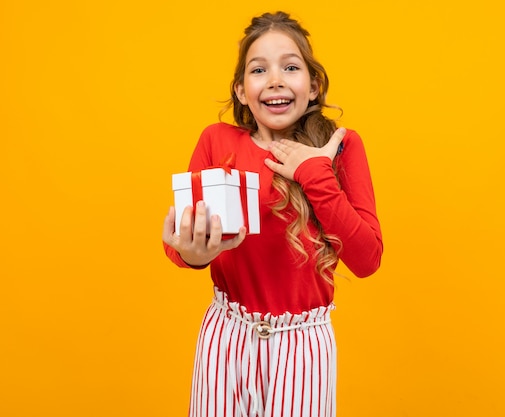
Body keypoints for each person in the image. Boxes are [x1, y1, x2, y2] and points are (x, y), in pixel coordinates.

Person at [162, 11, 383, 417]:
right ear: (242, 91)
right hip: (226, 336)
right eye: (259, 69)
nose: (276, 80)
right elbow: (184, 248)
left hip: (303, 345)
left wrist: (313, 172)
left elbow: (367, 260)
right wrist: (193, 253)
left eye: (291, 67)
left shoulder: (341, 147)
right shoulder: (216, 141)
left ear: (313, 86)